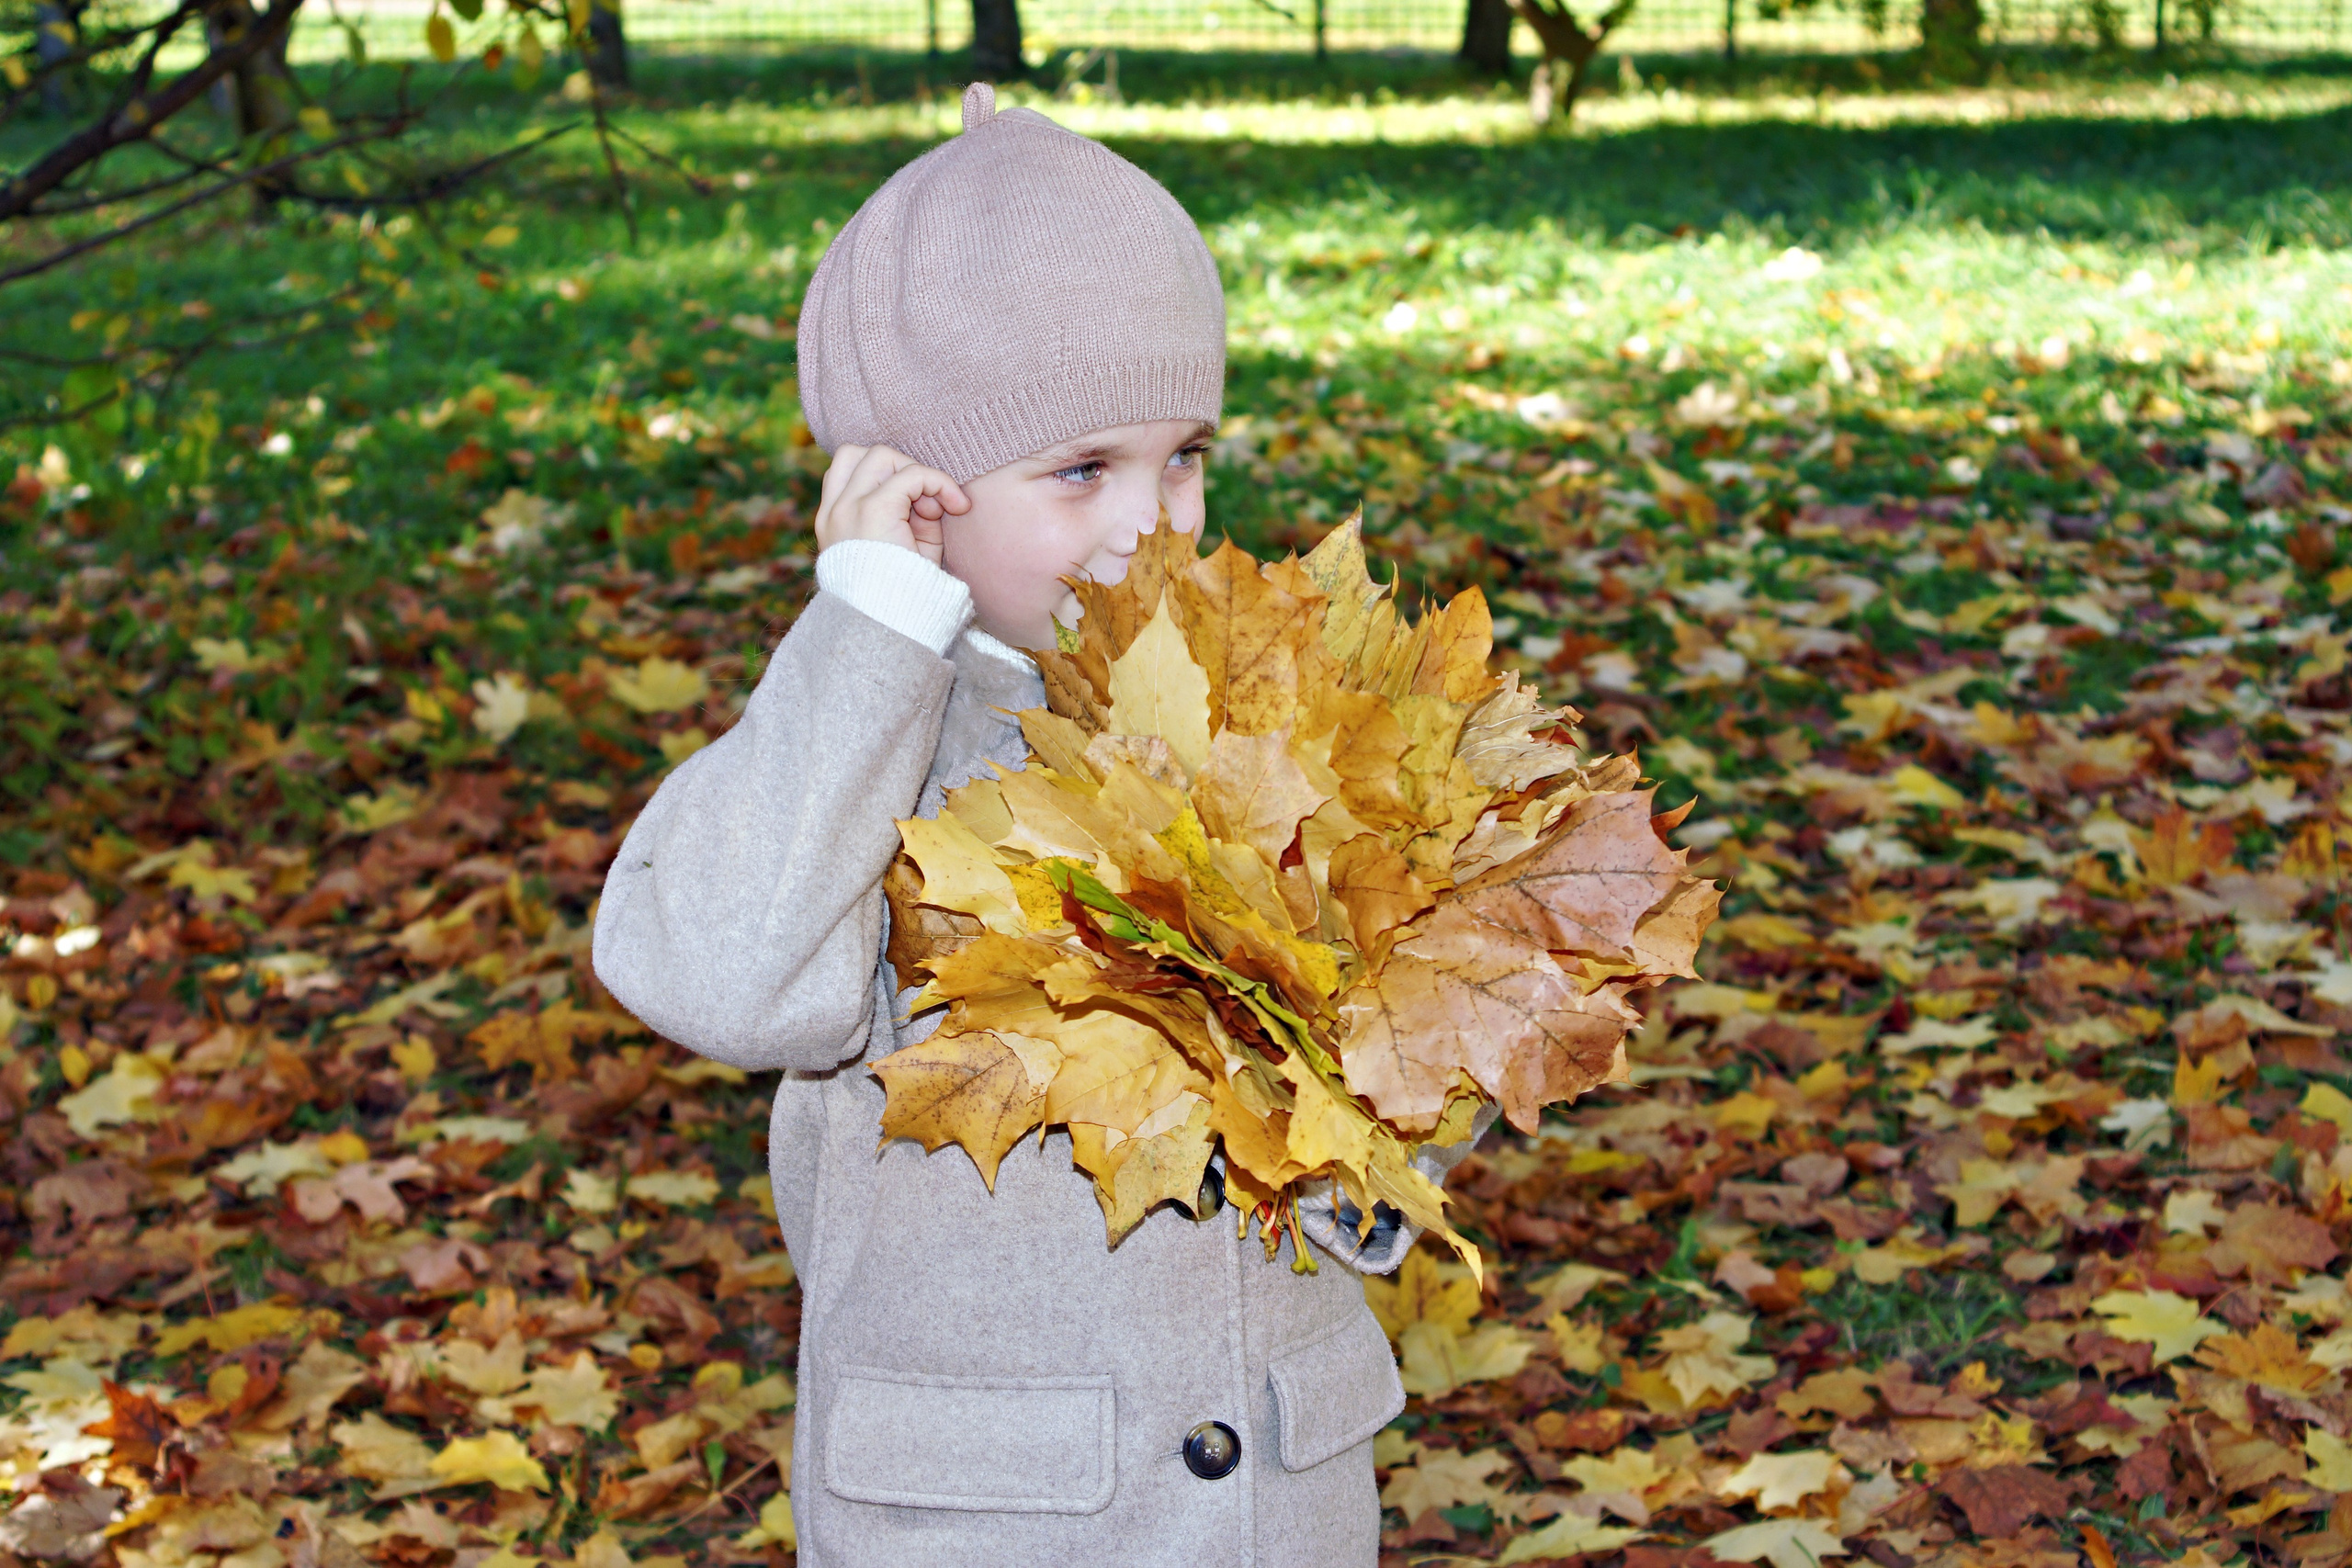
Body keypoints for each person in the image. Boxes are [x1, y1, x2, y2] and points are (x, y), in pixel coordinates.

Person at [593, 83, 1489, 1567]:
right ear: (915, 495)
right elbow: (726, 978)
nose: (1156, 521)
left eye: (1184, 455)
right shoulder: (860, 749)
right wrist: (867, 625)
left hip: (1276, 1498)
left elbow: (1408, 1026)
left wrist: (1363, 1159)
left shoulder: (1261, 717)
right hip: (986, 1520)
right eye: (1081, 469)